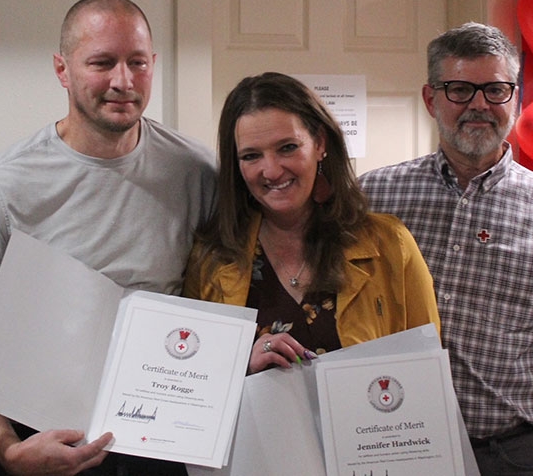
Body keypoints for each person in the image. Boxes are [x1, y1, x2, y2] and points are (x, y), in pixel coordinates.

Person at [0, 0, 216, 476]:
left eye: (137, 63)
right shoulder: (0, 186)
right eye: (102, 63)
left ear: (154, 65)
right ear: (62, 70)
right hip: (42, 444)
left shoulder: (196, 170)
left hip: (161, 441)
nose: (122, 81)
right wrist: (5, 447)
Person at [358, 22, 533, 475]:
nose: (479, 104)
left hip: (507, 457)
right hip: (388, 443)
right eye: (460, 89)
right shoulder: (374, 198)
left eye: (496, 90)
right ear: (431, 99)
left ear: (516, 97)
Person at [183, 72, 440, 374]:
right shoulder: (212, 259)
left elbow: (427, 375)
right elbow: (195, 382)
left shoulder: (391, 244)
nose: (272, 170)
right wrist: (240, 364)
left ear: (319, 143)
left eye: (287, 147)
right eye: (252, 156)